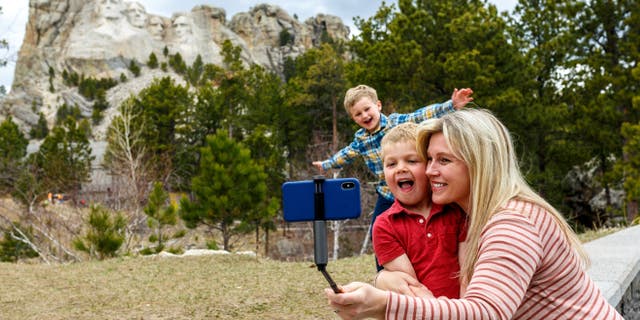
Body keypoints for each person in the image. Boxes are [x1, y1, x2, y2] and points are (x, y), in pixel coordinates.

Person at [325, 108, 623, 319]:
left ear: (479, 163)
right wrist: (384, 279)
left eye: (444, 160)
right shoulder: (476, 214)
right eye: (428, 159)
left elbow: (486, 312)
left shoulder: (511, 223)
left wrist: (384, 305)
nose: (430, 170)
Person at [312, 85, 474, 270]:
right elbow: (345, 155)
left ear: (378, 105)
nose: (364, 116)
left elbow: (421, 115)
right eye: (358, 114)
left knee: (440, 220)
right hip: (387, 193)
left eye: (367, 109)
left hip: (417, 187)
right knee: (378, 230)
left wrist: (451, 104)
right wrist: (326, 165)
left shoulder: (396, 123)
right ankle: (384, 271)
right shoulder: (360, 141)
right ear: (353, 118)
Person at [373, 122, 467, 299]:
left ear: (429, 167)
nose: (401, 168)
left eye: (412, 161)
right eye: (391, 164)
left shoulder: (456, 210)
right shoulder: (384, 226)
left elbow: (467, 275)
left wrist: (466, 312)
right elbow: (411, 288)